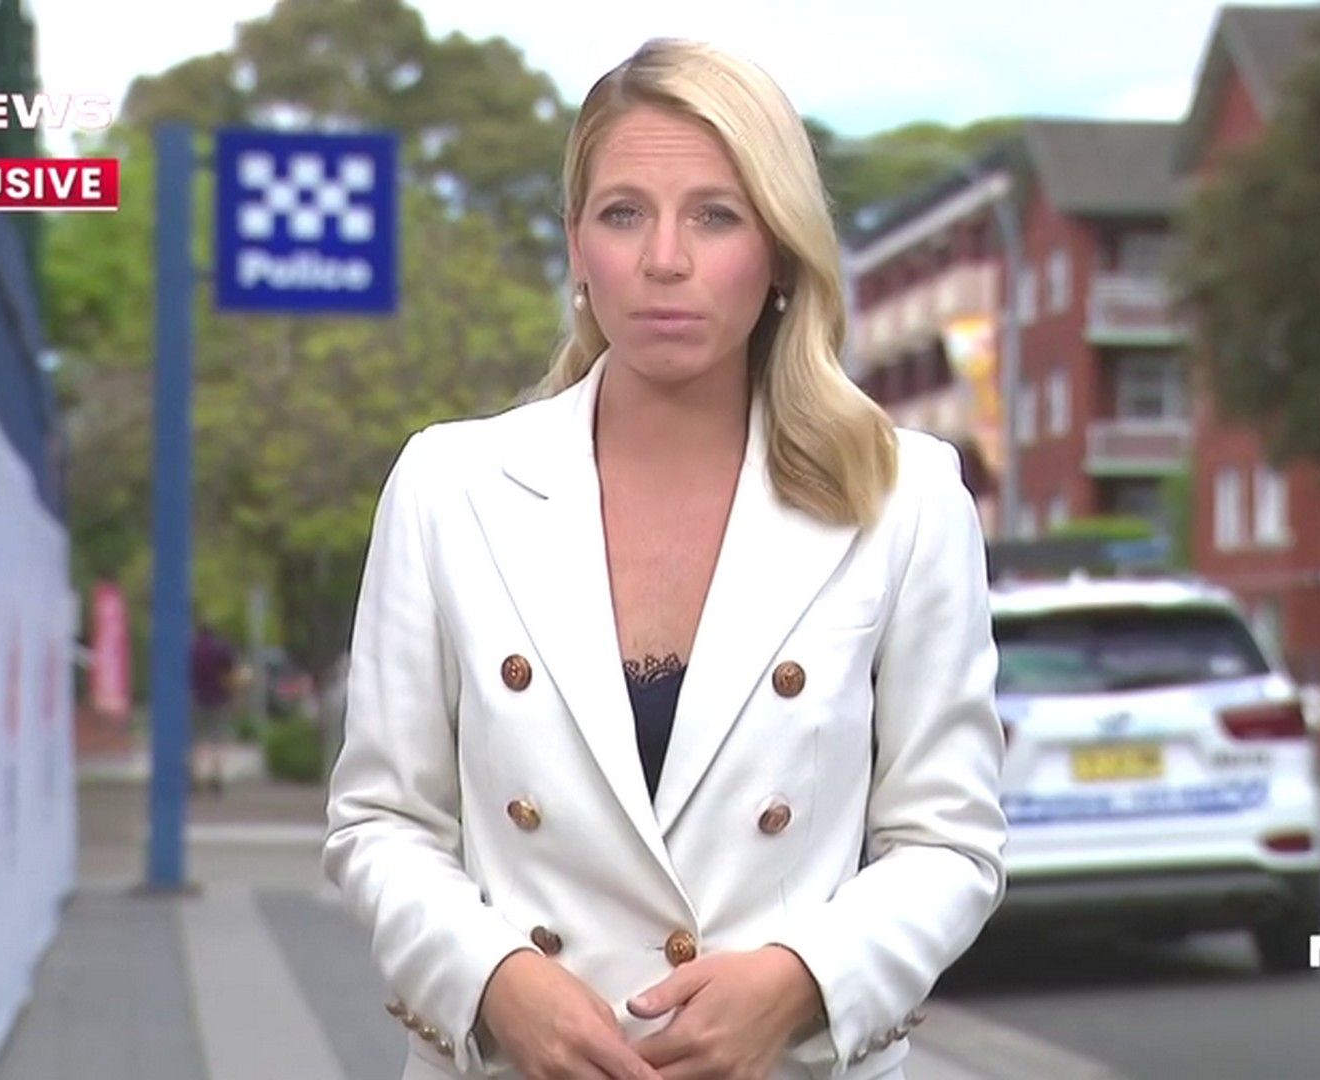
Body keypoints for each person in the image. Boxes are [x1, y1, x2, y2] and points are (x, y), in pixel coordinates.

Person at [322, 38, 1007, 1080]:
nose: (665, 259)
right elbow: (381, 821)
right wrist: (498, 984)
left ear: (779, 251)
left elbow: (950, 839)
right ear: (577, 246)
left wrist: (800, 983)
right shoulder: (448, 487)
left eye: (716, 216)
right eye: (623, 214)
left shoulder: (902, 496)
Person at [189, 616, 237, 795]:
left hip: (196, 698)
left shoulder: (191, 648)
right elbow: (230, 672)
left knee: (196, 740)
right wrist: (233, 694)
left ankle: (196, 776)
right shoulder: (222, 648)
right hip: (219, 698)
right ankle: (216, 776)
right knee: (217, 739)